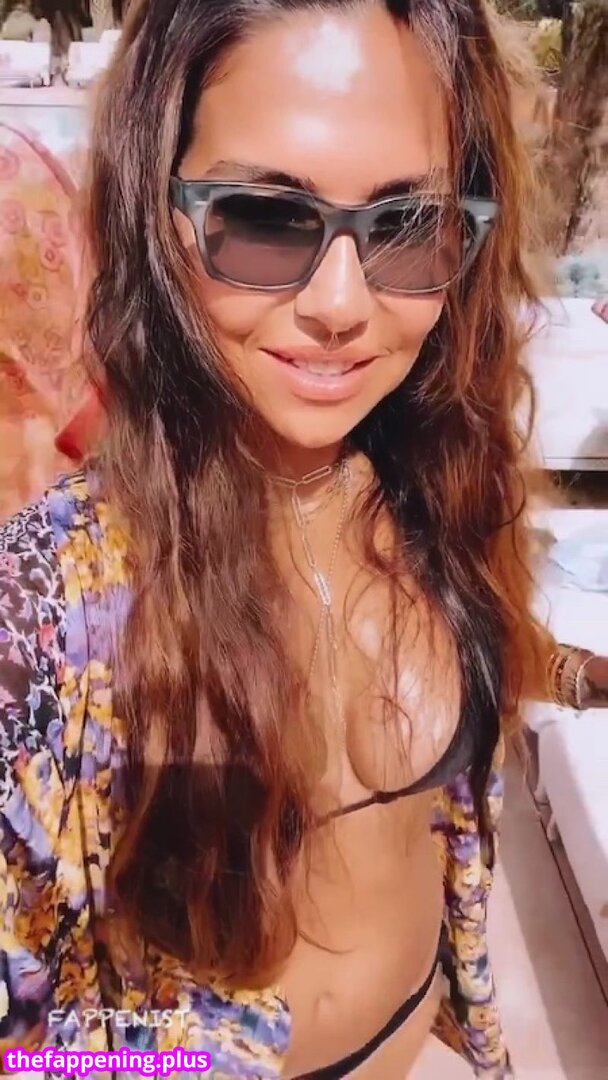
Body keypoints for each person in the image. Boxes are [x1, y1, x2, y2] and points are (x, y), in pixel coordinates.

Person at [0, 2, 606, 1079]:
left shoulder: (432, 484)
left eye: (406, 227)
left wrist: (577, 674)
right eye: (262, 218)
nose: (341, 304)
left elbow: (463, 647)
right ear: (156, 213)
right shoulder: (49, 605)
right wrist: (180, 1065)